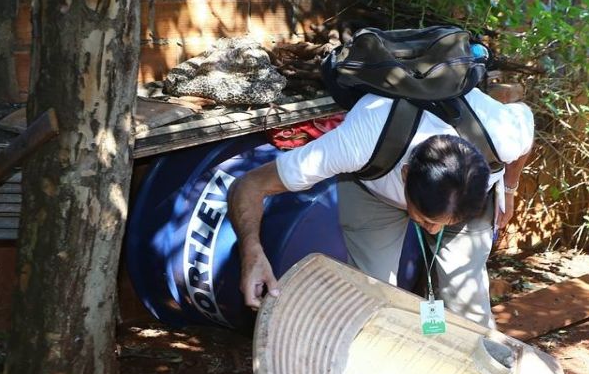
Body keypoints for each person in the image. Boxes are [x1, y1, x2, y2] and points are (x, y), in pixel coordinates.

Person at [228, 87, 534, 328]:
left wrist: (509, 186)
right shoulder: (357, 143)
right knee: (374, 301)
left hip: (450, 186)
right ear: (404, 175)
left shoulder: (500, 135)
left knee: (470, 306)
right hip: (373, 191)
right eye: (428, 220)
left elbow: (527, 124)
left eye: (447, 221)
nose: (435, 231)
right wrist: (251, 253)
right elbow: (249, 185)